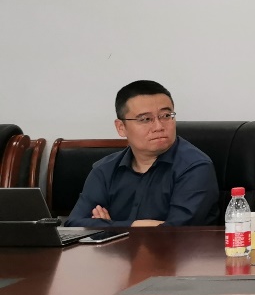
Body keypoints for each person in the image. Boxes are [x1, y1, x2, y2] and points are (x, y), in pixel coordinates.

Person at [65, 80, 218, 228]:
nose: (158, 126)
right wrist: (135, 225)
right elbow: (75, 224)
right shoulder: (105, 170)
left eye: (166, 116)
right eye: (145, 119)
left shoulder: (195, 167)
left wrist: (108, 227)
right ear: (121, 127)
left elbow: (177, 232)